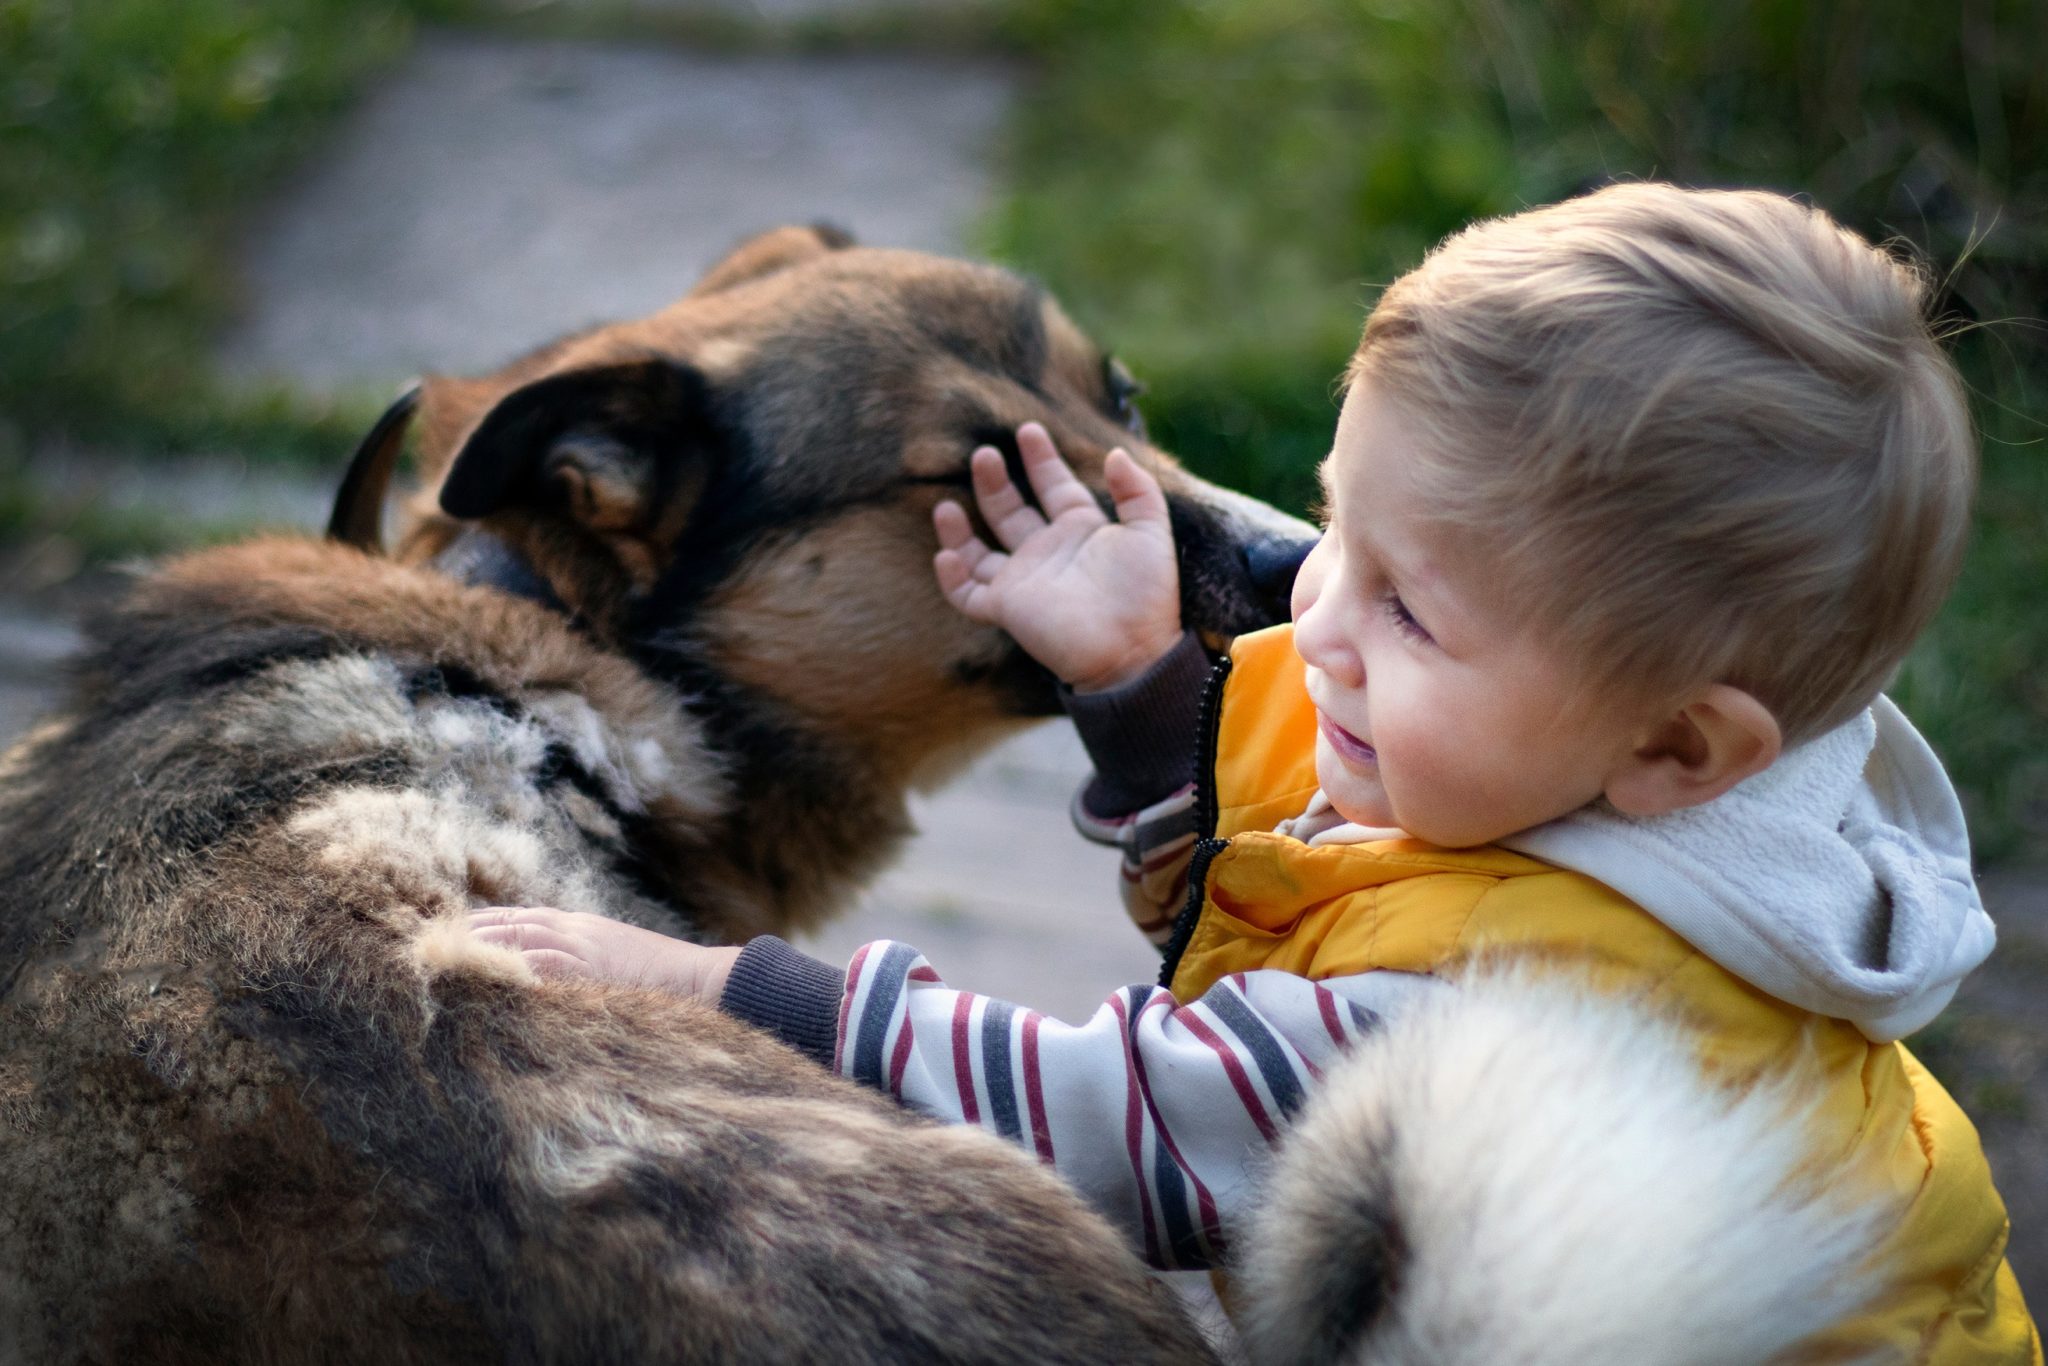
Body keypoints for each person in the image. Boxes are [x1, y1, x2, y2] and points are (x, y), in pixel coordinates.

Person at [466, 182, 2039, 1359]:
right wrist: (1141, 690)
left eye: (1407, 603)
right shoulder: (1597, 782)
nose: (1307, 598)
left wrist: (728, 1000)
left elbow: (1116, 1122)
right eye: (1338, 518)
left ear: (1681, 745)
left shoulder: (1534, 999)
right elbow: (1296, 895)